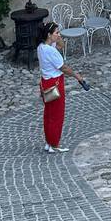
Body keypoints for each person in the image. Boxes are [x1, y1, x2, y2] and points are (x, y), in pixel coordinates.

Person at [37, 22, 88, 155]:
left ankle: (49, 142)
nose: (59, 35)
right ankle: (54, 144)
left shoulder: (41, 47)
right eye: (56, 33)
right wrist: (78, 77)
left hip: (46, 83)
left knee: (48, 114)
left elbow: (61, 46)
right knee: (56, 115)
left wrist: (58, 39)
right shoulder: (50, 51)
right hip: (55, 84)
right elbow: (63, 68)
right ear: (49, 34)